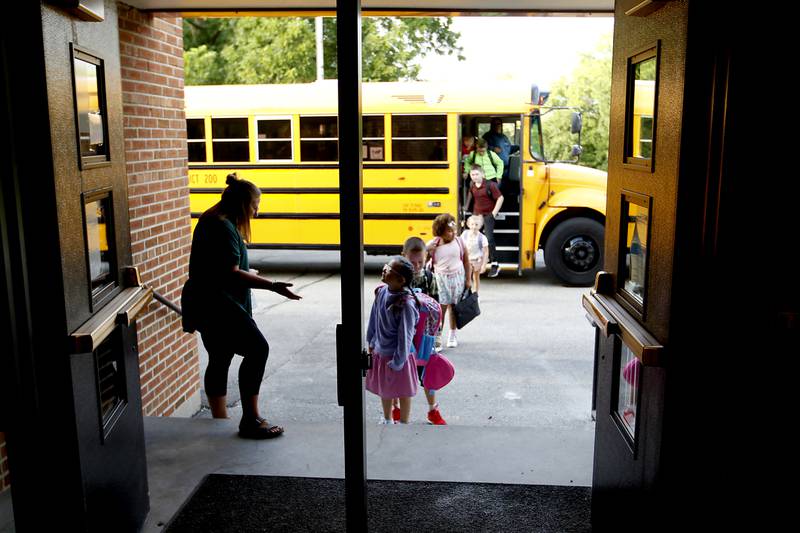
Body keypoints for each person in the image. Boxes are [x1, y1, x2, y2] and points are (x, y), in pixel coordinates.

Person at [181, 173, 302, 439]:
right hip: (218, 303)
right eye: (255, 207)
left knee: (220, 356)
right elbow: (231, 273)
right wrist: (272, 285)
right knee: (258, 349)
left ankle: (219, 419)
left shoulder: (213, 217)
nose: (256, 213)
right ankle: (250, 418)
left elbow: (220, 267)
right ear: (242, 204)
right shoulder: (223, 226)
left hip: (205, 300)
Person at [393, 236, 447, 425]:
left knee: (427, 373)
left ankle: (433, 409)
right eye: (411, 262)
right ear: (403, 257)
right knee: (398, 372)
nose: (416, 266)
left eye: (420, 262)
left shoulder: (429, 278)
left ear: (426, 259)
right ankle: (396, 409)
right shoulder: (395, 278)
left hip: (423, 336)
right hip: (401, 335)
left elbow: (438, 306)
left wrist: (437, 333)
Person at [365, 256, 420, 425]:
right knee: (385, 390)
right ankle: (387, 418)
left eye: (388, 269)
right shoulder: (381, 291)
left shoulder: (406, 304)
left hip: (400, 356)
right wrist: (371, 341)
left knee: (404, 391)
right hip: (381, 351)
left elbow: (406, 335)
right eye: (385, 266)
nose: (384, 269)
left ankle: (404, 421)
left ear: (400, 279)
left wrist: (399, 361)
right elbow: (374, 318)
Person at [427, 214, 471, 348]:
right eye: (449, 231)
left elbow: (466, 261)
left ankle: (452, 334)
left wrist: (468, 280)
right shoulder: (433, 244)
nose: (453, 233)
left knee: (454, 307)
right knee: (440, 310)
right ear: (440, 232)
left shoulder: (459, 242)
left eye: (454, 230)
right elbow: (422, 257)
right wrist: (428, 251)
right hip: (440, 280)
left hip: (457, 278)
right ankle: (438, 337)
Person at [466, 166, 504, 278]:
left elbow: (500, 198)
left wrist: (493, 213)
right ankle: (477, 261)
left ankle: (495, 264)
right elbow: (471, 196)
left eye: (477, 174)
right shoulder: (472, 186)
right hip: (477, 215)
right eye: (472, 175)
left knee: (489, 238)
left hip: (488, 214)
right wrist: (466, 208)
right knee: (474, 238)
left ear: (482, 174)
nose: (474, 177)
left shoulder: (490, 185)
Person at [462, 215, 490, 293]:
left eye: (476, 225)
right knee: (467, 277)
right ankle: (467, 293)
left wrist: (484, 265)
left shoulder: (482, 237)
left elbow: (486, 251)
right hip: (467, 260)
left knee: (476, 277)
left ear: (480, 226)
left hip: (477, 260)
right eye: (472, 224)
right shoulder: (465, 234)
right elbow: (460, 246)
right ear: (468, 224)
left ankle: (476, 293)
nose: (474, 227)